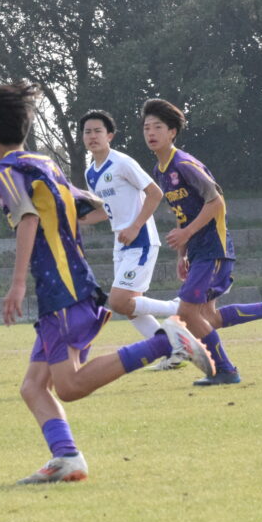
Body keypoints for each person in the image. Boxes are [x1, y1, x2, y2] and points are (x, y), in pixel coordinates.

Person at [0, 83, 215, 484]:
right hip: (74, 284)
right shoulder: (43, 164)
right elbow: (92, 203)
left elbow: (27, 217)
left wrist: (17, 284)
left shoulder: (3, 171)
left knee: (69, 385)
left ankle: (166, 341)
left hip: (60, 290)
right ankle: (66, 458)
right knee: (33, 387)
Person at [142, 98, 262, 386]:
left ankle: (226, 370)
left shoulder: (183, 164)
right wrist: (182, 254)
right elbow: (182, 213)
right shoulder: (160, 170)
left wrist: (187, 235)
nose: (151, 132)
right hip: (199, 251)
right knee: (208, 318)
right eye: (147, 127)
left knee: (187, 313)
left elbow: (216, 202)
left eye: (158, 127)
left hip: (213, 248)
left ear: (172, 132)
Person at [77, 110, 183, 371]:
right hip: (121, 243)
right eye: (87, 132)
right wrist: (77, 219)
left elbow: (155, 194)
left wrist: (135, 227)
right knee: (129, 307)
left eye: (98, 131)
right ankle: (173, 351)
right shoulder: (91, 173)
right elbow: (106, 210)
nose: (92, 136)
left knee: (118, 301)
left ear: (110, 136)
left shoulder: (122, 162)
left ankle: (179, 307)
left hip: (141, 239)